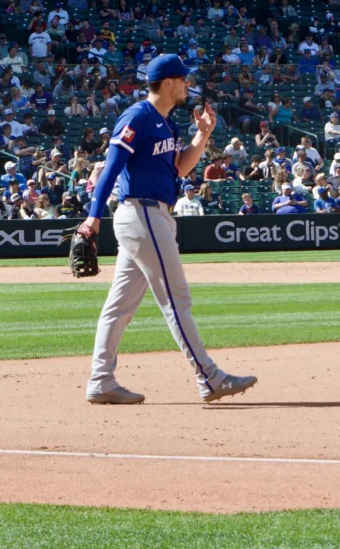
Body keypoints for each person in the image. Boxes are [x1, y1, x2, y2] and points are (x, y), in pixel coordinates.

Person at [77, 53, 257, 405]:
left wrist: (202, 135)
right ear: (168, 81)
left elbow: (178, 169)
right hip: (141, 213)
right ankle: (210, 377)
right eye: (184, 79)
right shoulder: (138, 117)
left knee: (119, 306)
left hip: (154, 215)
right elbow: (111, 170)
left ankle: (101, 381)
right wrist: (92, 217)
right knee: (177, 299)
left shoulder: (168, 123)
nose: (188, 84)